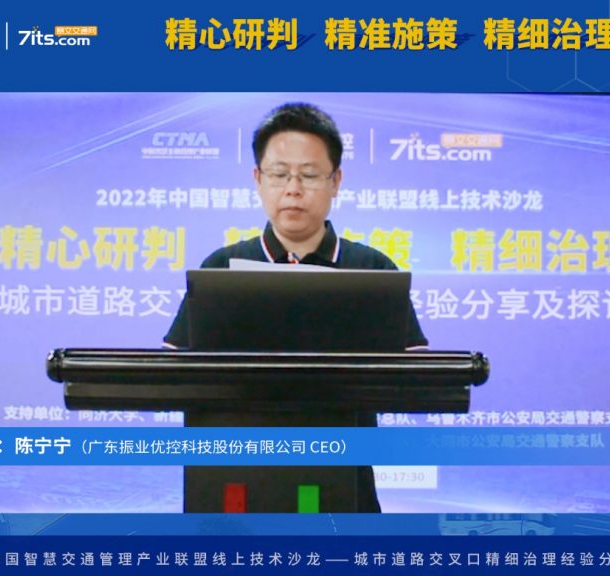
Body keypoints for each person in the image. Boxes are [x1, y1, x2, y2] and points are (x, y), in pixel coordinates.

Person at [163, 102, 428, 512]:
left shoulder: (371, 269)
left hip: (343, 475)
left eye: (309, 175)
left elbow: (417, 373)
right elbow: (172, 367)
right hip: (236, 475)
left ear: (336, 181)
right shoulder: (222, 267)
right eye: (279, 174)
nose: (293, 189)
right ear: (258, 179)